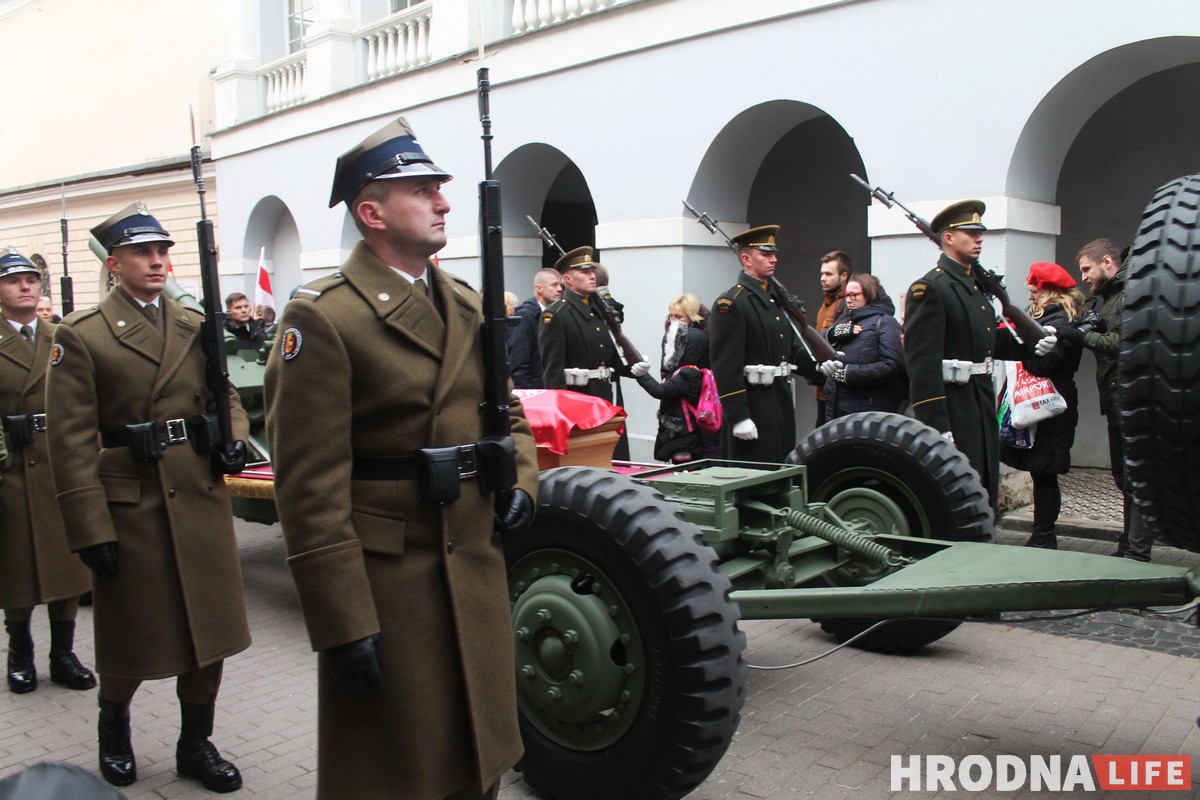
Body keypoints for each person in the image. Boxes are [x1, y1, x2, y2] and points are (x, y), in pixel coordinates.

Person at [264, 117, 539, 800]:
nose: (444, 202)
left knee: (481, 754)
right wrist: (342, 623)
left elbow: (507, 414)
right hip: (390, 582)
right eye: (422, 190)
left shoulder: (464, 302)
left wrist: (523, 482)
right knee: (401, 770)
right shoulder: (324, 316)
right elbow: (310, 486)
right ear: (371, 212)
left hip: (472, 557)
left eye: (440, 189)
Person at [47, 203, 251, 792]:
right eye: (142, 253)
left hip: (196, 495)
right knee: (131, 636)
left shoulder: (192, 325)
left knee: (208, 632)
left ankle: (196, 744)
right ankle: (114, 727)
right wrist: (88, 526)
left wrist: (233, 439)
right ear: (114, 264)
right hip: (132, 505)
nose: (157, 262)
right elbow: (69, 439)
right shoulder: (81, 335)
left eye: (163, 252)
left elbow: (224, 394)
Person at [903, 200, 1059, 511]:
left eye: (980, 233)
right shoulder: (931, 288)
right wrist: (937, 425)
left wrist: (1031, 344)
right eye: (971, 232)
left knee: (984, 485)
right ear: (948, 237)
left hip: (981, 399)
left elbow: (989, 341)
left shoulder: (974, 287)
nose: (979, 239)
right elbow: (921, 365)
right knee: (959, 495)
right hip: (954, 405)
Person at [0, 248, 95, 696]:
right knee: (16, 570)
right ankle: (20, 652)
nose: (25, 286)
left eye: (31, 279)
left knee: (65, 568)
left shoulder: (61, 336)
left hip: (58, 467)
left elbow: (84, 399)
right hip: (12, 471)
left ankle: (63, 654)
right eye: (14, 280)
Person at [709, 225, 818, 463]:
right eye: (766, 254)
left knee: (779, 468)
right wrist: (738, 416)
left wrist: (818, 368)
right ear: (746, 259)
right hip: (753, 405)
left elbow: (790, 348)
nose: (774, 259)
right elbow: (726, 366)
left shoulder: (773, 300)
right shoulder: (732, 303)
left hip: (778, 401)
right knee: (753, 476)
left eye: (774, 253)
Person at [1000, 262, 1085, 549]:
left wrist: (1021, 350)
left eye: (1036, 292)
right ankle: (1042, 534)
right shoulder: (1054, 318)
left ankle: (1044, 537)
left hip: (1053, 406)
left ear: (1050, 292)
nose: (1032, 297)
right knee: (1041, 472)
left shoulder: (1059, 323)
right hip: (1045, 404)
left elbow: (1046, 363)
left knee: (1045, 474)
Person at [1076, 238, 1152, 561]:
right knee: (1124, 479)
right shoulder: (1108, 298)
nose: (1083, 277)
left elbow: (1123, 342)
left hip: (1133, 402)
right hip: (1116, 403)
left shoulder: (1128, 295)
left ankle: (1138, 553)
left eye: (1086, 269)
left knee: (1138, 481)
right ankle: (1127, 544)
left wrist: (1082, 335)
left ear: (1107, 262)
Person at [539, 246, 642, 400]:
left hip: (604, 395)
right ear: (568, 280)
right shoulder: (556, 314)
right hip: (577, 399)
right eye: (585, 272)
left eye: (592, 271)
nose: (592, 276)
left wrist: (632, 369)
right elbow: (553, 373)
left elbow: (608, 356)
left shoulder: (597, 309)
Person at [631, 293, 718, 462]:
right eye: (671, 316)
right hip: (685, 431)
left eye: (678, 317)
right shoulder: (688, 370)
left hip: (685, 435)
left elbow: (659, 390)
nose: (673, 321)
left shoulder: (688, 374)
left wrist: (642, 375)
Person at [819, 273, 905, 421]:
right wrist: (832, 333)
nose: (849, 300)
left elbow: (893, 365)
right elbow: (818, 343)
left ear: (869, 294)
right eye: (846, 295)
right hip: (837, 408)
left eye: (854, 295)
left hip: (870, 411)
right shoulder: (844, 319)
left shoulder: (885, 322)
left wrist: (847, 373)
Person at [508, 268, 562, 389]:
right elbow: (518, 362)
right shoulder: (525, 316)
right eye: (554, 285)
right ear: (539, 289)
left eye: (560, 285)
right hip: (534, 393)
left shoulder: (555, 315)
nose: (559, 289)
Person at [813, 251, 850, 425]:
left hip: (839, 390)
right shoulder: (825, 306)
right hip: (822, 388)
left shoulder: (848, 306)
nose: (822, 278)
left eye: (828, 274)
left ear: (844, 276)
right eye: (822, 273)